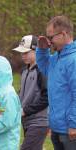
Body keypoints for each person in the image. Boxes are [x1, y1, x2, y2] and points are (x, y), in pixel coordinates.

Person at [36, 15, 76, 150]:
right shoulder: (56, 58)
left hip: (70, 130)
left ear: (63, 34)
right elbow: (44, 67)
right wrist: (42, 49)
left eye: (51, 37)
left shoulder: (73, 60)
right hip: (57, 128)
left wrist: (74, 124)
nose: (49, 41)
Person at [12, 35, 48, 150]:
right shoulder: (24, 71)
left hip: (39, 122)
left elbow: (47, 98)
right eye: (21, 53)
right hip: (27, 121)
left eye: (26, 52)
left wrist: (25, 110)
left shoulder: (42, 70)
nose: (23, 56)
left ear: (36, 50)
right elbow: (23, 93)